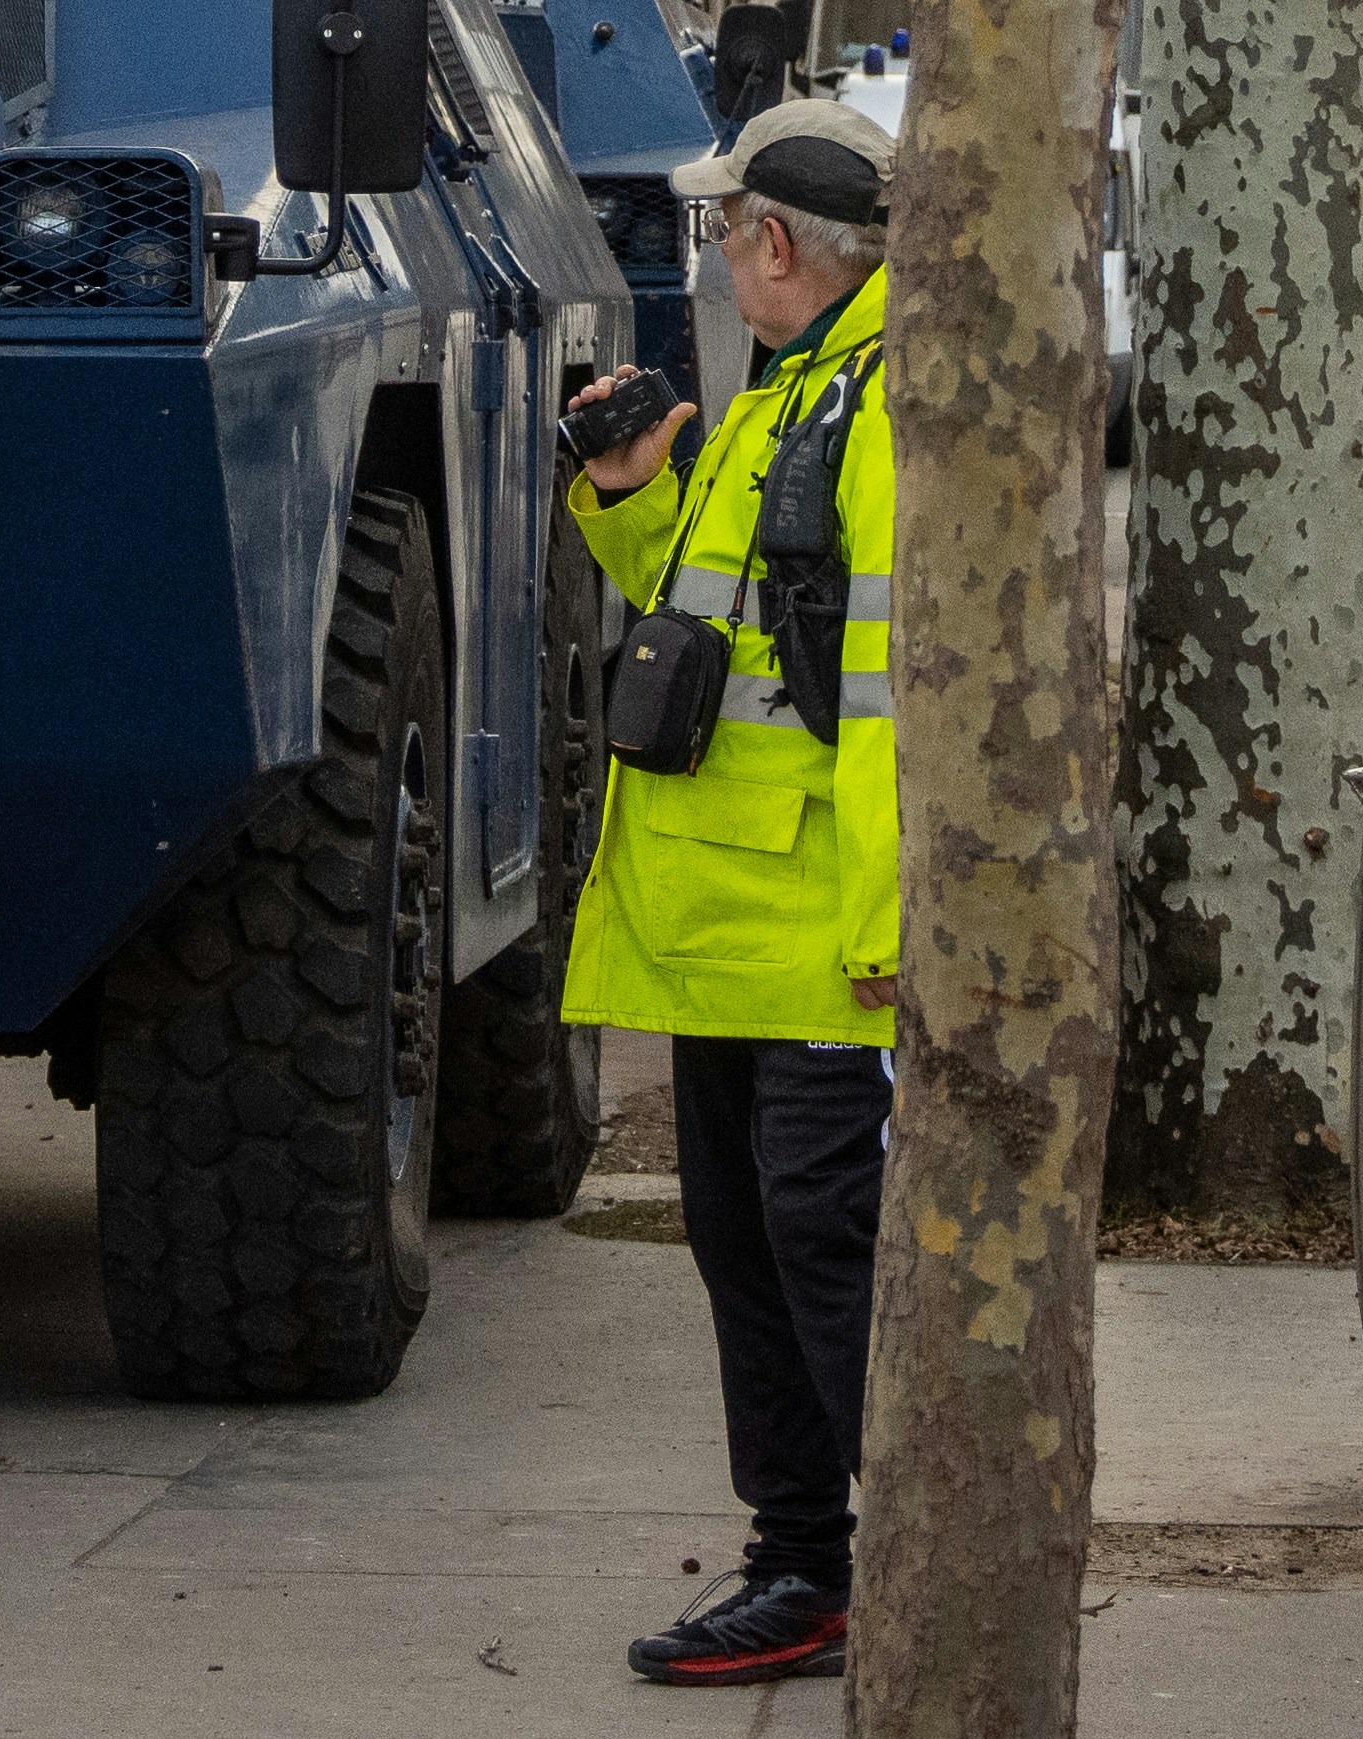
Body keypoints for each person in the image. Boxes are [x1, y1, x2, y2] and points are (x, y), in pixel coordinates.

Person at [561, 95, 901, 1689]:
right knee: (761, 1259)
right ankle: (807, 1567)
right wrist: (630, 490)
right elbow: (710, 644)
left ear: (773, 243)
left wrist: (892, 939)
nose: (714, 258)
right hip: (738, 935)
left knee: (817, 1258)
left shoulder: (871, 403)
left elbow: (905, 697)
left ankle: (855, 1573)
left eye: (721, 231)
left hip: (817, 944)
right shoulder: (792, 397)